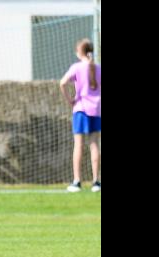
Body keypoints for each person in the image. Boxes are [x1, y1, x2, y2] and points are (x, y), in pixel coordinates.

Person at [59, 38, 100, 193]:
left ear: (79, 52)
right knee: (95, 144)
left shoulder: (76, 67)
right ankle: (96, 182)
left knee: (79, 145)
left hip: (81, 109)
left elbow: (62, 83)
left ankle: (77, 181)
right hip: (96, 110)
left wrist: (70, 100)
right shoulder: (98, 68)